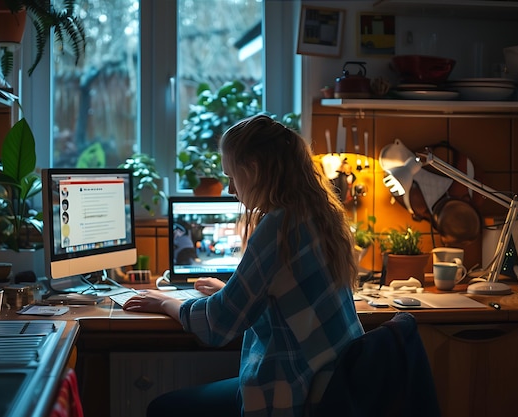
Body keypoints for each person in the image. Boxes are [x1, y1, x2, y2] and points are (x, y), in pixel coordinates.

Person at [123, 114, 364, 417]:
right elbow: (284, 307)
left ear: (252, 171)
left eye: (231, 177)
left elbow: (219, 325)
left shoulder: (279, 226)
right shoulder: (316, 212)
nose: (229, 189)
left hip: (297, 394)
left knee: (163, 409)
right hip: (334, 384)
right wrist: (230, 291)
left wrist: (165, 303)